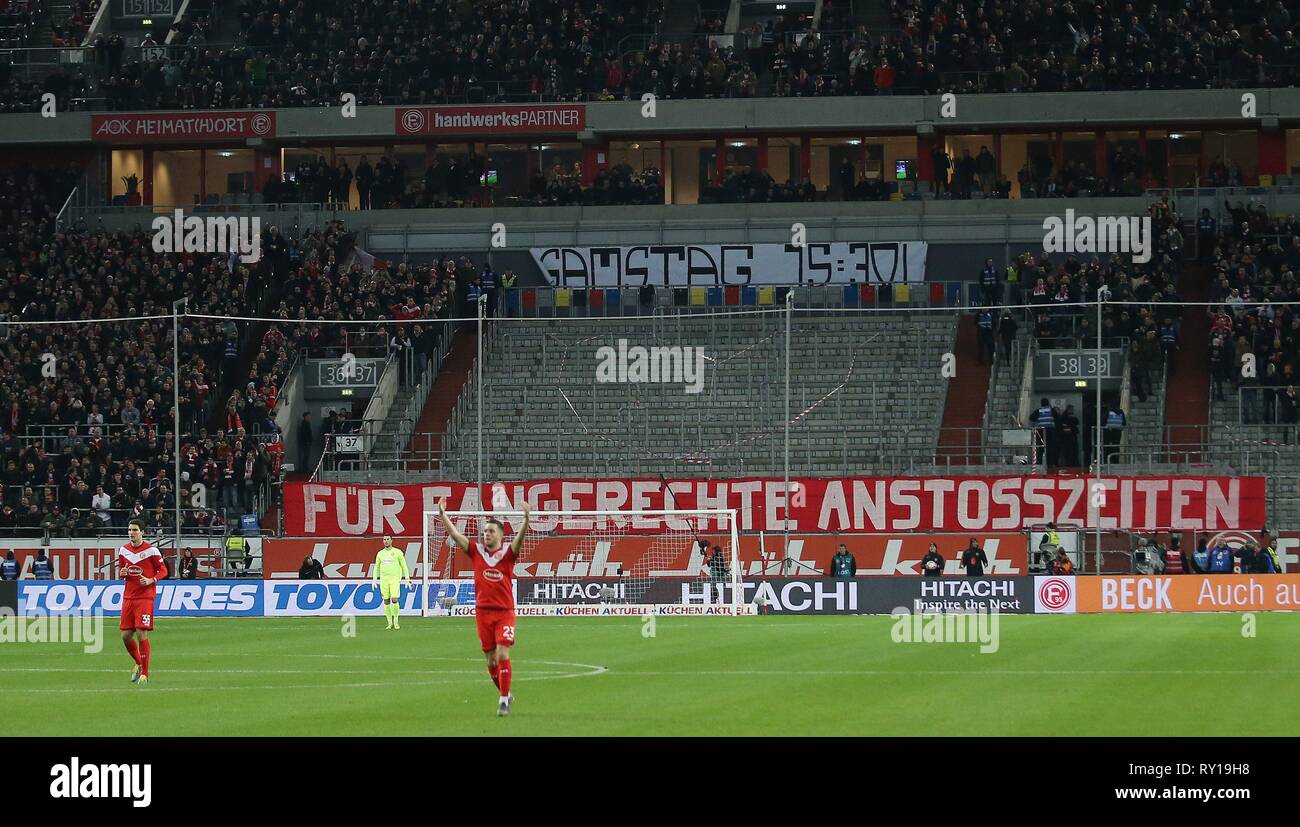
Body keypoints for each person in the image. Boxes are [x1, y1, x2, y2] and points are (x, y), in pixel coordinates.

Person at [437, 498, 531, 717]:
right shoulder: (476, 552)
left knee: (501, 653)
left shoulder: (508, 554)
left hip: (504, 612)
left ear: (500, 535)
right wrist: (443, 515)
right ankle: (505, 693)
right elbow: (455, 536)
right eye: (485, 531)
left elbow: (520, 539)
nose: (486, 534)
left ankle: (503, 701)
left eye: (490, 531)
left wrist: (526, 520)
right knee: (490, 660)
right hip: (482, 613)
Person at [119, 517, 167, 686]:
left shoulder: (152, 551)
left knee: (141, 633)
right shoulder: (123, 550)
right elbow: (121, 571)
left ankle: (145, 674)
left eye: (134, 530)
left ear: (142, 532)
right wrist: (123, 572)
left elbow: (163, 570)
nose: (131, 533)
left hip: (145, 596)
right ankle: (139, 663)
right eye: (130, 530)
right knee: (125, 636)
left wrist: (151, 579)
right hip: (129, 596)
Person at [372, 534, 412, 630]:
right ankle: (389, 623)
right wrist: (374, 580)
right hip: (383, 580)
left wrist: (407, 579)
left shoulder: (397, 552)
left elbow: (404, 566)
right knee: (386, 600)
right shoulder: (380, 554)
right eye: (384, 539)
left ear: (391, 540)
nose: (386, 541)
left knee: (394, 599)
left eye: (387, 539)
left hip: (394, 579)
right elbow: (376, 567)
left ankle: (396, 621)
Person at [1033, 397, 1057, 467]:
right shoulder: (1051, 410)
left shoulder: (1039, 410)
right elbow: (1057, 417)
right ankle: (1050, 463)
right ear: (1048, 403)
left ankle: (1040, 462)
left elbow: (1031, 417)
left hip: (1041, 431)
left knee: (1040, 447)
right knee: (1050, 447)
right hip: (1050, 431)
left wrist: (1038, 420)